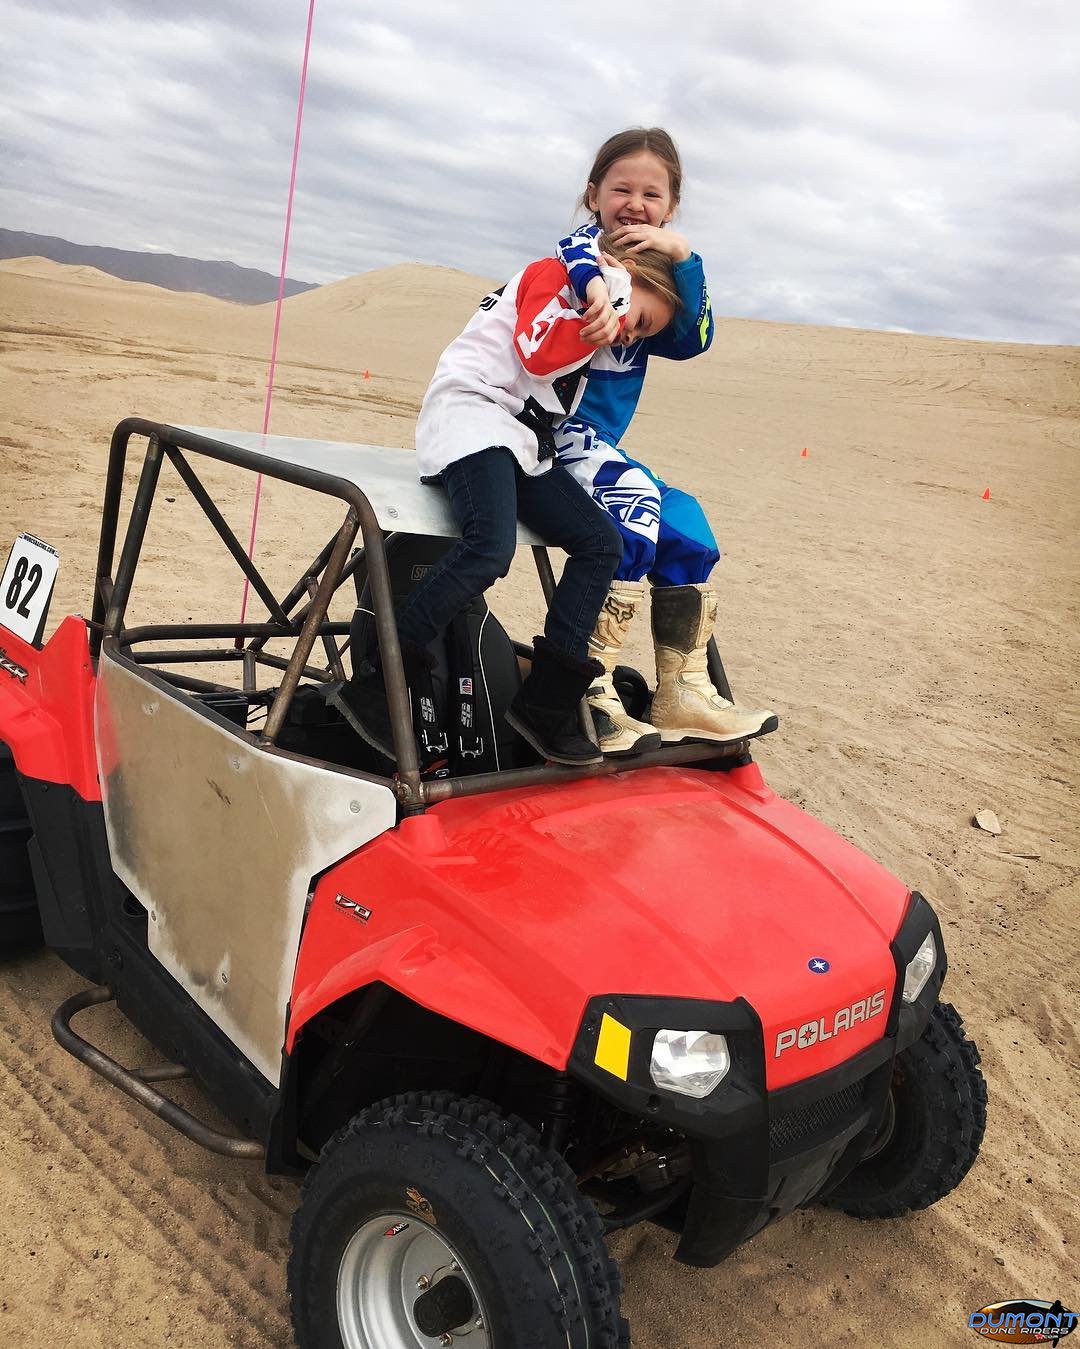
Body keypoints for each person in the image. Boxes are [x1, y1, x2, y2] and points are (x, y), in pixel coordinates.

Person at [331, 237, 681, 767]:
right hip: (470, 415)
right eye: (641, 321)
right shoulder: (549, 274)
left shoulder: (593, 294)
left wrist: (672, 260)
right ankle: (380, 679)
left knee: (600, 543)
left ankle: (546, 705)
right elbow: (539, 355)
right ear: (627, 273)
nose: (631, 335)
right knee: (489, 549)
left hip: (520, 436)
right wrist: (607, 295)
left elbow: (690, 335)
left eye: (641, 333)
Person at [553, 127, 777, 754]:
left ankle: (681, 691)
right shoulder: (575, 262)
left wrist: (683, 258)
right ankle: (587, 690)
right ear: (593, 194)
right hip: (550, 437)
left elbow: (692, 339)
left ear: (670, 206)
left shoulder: (656, 280)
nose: (635, 204)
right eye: (620, 189)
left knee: (685, 525)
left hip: (599, 444)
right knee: (633, 508)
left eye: (652, 195)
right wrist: (600, 286)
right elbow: (571, 263)